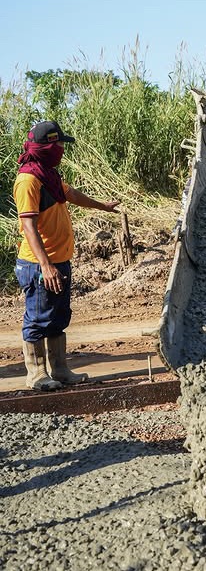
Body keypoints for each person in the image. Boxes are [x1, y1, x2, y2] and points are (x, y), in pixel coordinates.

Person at [14, 120, 121, 391]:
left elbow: (71, 194)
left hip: (58, 260)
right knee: (38, 318)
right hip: (39, 264)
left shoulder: (47, 174)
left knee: (58, 317)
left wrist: (103, 206)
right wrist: (45, 265)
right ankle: (36, 374)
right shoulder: (28, 180)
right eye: (59, 144)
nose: (62, 149)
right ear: (48, 147)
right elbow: (29, 227)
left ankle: (60, 370)